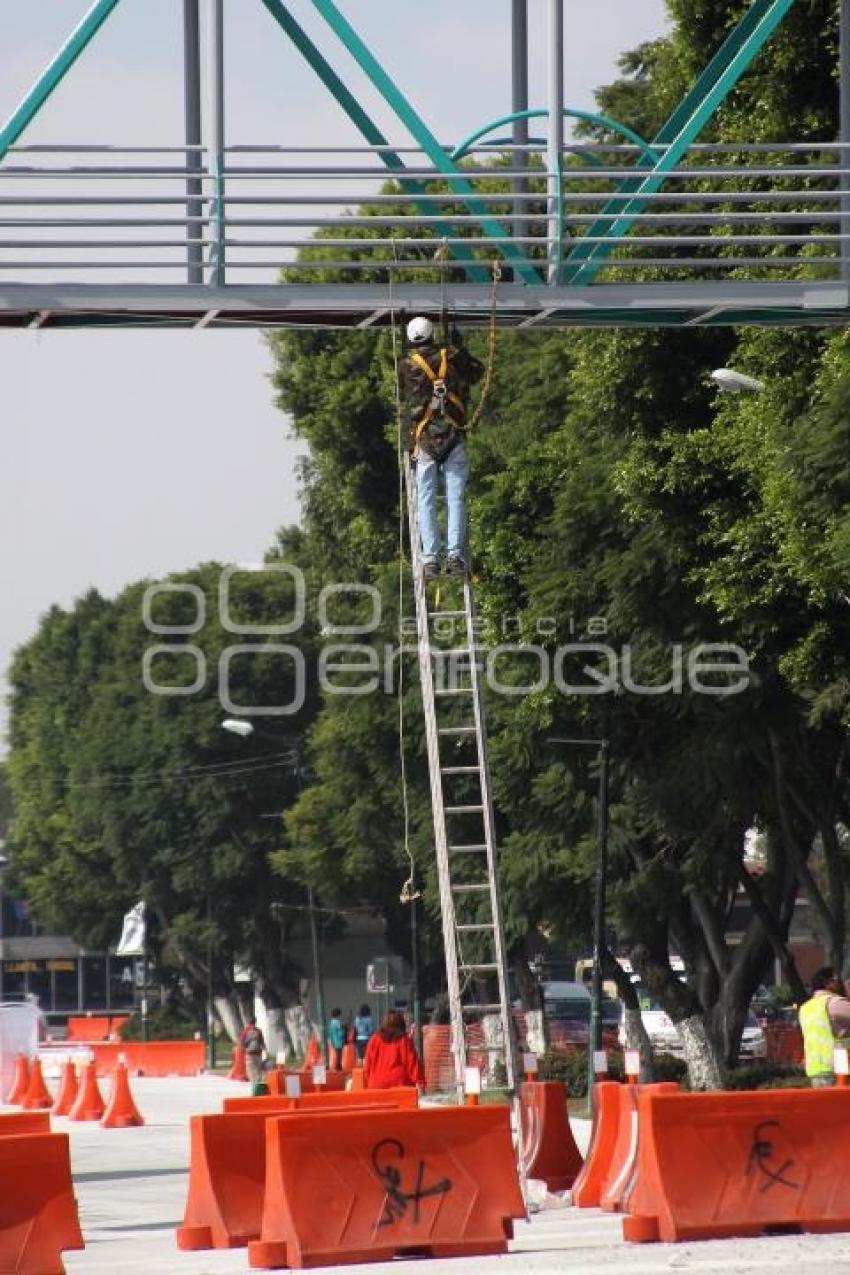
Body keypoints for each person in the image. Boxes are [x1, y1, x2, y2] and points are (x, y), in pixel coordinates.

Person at [398, 316, 483, 581]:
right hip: (452, 434)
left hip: (424, 440)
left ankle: (430, 560)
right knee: (455, 498)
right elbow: (476, 372)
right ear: (433, 335)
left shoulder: (405, 366)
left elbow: (403, 394)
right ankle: (455, 556)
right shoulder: (452, 357)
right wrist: (459, 348)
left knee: (425, 500)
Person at [798, 966, 850, 1085]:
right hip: (838, 1068)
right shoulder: (834, 1003)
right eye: (836, 980)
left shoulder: (805, 1008)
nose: (839, 983)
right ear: (828, 983)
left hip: (815, 1070)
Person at [363, 1009, 424, 1090]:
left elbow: (367, 1064)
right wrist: (420, 1081)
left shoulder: (374, 1039)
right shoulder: (404, 1040)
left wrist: (370, 1079)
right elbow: (412, 1063)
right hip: (400, 1084)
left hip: (376, 1084)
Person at [238, 1016, 266, 1087]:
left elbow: (241, 1043)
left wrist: (242, 1051)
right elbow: (262, 1042)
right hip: (258, 1053)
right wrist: (265, 1051)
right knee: (258, 1070)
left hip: (249, 1054)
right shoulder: (258, 1031)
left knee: (251, 1071)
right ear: (255, 1022)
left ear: (248, 1022)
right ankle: (259, 1085)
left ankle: (254, 1086)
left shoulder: (245, 1031)